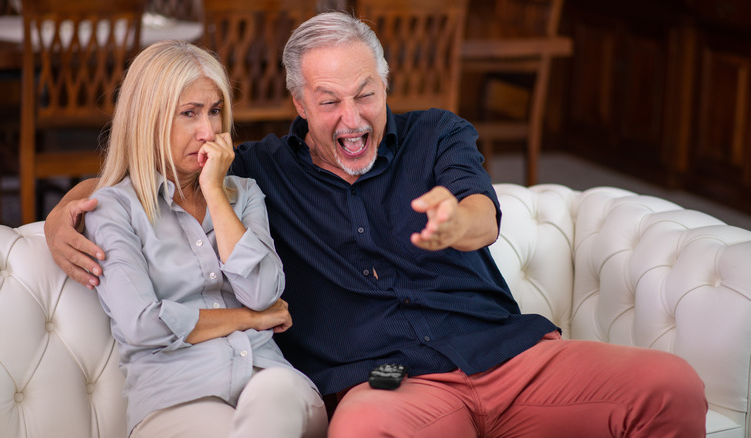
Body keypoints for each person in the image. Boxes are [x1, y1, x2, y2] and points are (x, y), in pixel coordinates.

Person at [47, 12, 707, 438]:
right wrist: (67, 213)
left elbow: (480, 213)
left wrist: (456, 225)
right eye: (329, 101)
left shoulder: (437, 135)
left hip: (507, 358)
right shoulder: (255, 175)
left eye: (366, 94)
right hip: (390, 389)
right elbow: (155, 166)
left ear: (386, 87)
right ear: (299, 104)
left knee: (670, 385)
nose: (352, 117)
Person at [80, 40, 327, 438]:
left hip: (269, 381)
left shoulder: (242, 194)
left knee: (276, 398)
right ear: (148, 120)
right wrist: (247, 320)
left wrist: (215, 192)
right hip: (177, 396)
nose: (208, 130)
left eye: (214, 111)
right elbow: (142, 324)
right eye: (189, 114)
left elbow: (262, 292)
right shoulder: (114, 209)